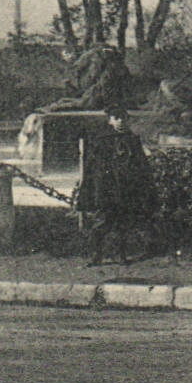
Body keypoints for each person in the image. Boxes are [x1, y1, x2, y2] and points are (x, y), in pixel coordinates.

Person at [74, 102, 157, 265]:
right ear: (110, 121)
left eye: (124, 118)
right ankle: (96, 256)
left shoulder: (133, 140)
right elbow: (94, 166)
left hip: (126, 188)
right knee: (102, 222)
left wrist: (143, 182)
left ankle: (121, 255)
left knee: (123, 224)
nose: (121, 121)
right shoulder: (101, 140)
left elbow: (141, 163)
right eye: (116, 118)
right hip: (107, 188)